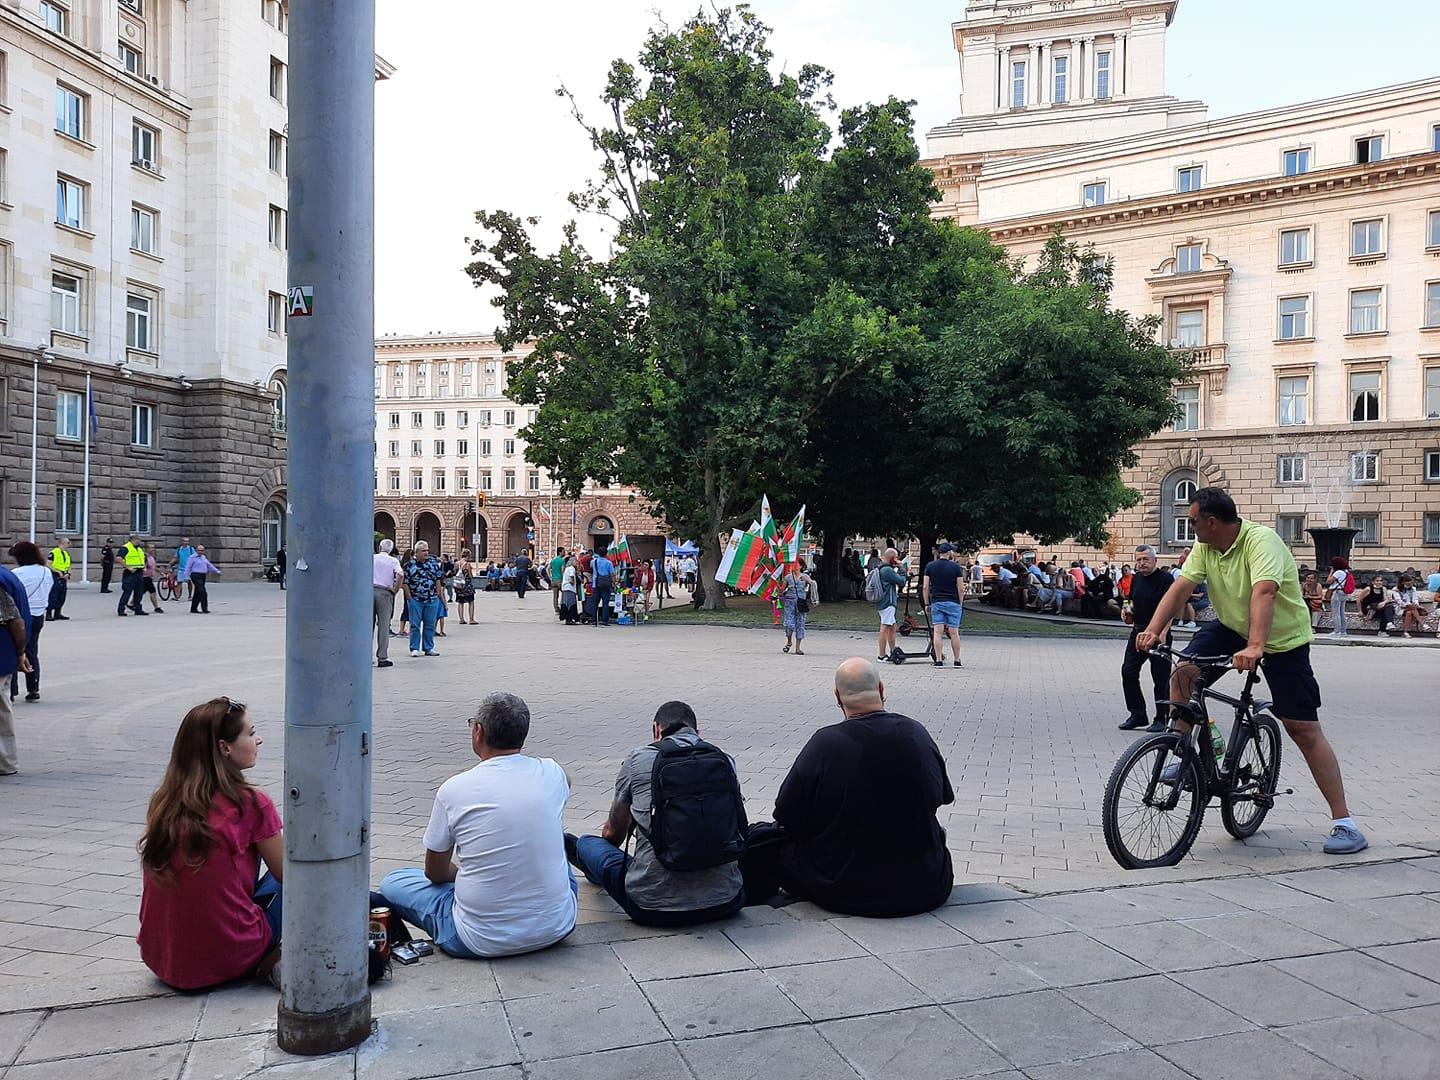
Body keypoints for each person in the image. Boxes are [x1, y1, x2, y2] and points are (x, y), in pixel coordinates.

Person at [1136, 486, 1367, 855]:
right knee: (1183, 673)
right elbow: (1181, 587)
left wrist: (1257, 647)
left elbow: (1265, 594)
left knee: (1303, 729)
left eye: (1193, 521)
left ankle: (1345, 823)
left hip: (1282, 639)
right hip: (1232, 627)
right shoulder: (1207, 547)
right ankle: (1181, 757)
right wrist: (1153, 627)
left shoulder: (1262, 542)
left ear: (1211, 522)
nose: (1190, 525)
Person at [380, 692, 577, 958]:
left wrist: (468, 876)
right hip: (557, 926)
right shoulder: (551, 771)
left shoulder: (454, 789)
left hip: (478, 938)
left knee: (395, 881)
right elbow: (568, 780)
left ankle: (479, 893)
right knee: (558, 861)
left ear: (478, 731)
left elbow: (434, 872)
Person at [753, 658, 954, 916]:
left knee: (767, 843)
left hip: (845, 890)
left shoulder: (826, 743)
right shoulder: (917, 733)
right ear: (882, 689)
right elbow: (940, 798)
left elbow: (786, 816)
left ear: (837, 696)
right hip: (928, 885)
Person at [137, 698, 285, 990]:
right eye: (251, 733)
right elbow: (293, 877)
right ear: (224, 747)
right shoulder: (251, 803)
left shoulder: (166, 800)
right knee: (295, 882)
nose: (259, 739)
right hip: (229, 956)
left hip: (162, 958)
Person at [567, 701, 746, 927]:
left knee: (588, 845)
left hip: (651, 906)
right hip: (727, 900)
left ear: (656, 730)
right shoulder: (726, 761)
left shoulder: (638, 759)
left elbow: (613, 834)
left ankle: (582, 857)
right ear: (697, 733)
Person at [1119, 545, 1173, 732]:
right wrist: (1127, 613)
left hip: (1158, 634)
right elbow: (1132, 602)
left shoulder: (1165, 579)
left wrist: (1164, 632)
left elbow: (1171, 607)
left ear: (1154, 561)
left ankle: (1162, 718)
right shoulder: (1136, 579)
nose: (1141, 563)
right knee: (1128, 671)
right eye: (1138, 559)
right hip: (1139, 632)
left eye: (1145, 559)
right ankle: (1138, 714)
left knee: (1160, 677)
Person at [8, 543, 51, 703]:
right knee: (32, 650)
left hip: (19, 616)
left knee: (14, 651)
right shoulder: (46, 571)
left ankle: (11, 691)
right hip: (39, 615)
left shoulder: (17, 573)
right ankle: (33, 688)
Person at [0, 562, 30, 775]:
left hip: (3, 653)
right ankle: (6, 762)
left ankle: (6, 762)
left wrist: (21, 653)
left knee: (2, 710)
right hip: (5, 653)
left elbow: (15, 621)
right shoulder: (6, 575)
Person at [923, 543, 965, 668]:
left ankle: (939, 660)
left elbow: (925, 587)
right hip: (953, 602)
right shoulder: (956, 567)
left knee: (937, 632)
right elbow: (961, 588)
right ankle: (957, 660)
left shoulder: (930, 566)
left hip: (937, 602)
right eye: (953, 551)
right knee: (954, 632)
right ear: (948, 553)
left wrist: (926, 603)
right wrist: (960, 603)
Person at [405, 541, 444, 657]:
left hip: (431, 599)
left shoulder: (433, 564)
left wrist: (438, 594)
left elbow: (437, 579)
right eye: (423, 551)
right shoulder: (409, 565)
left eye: (427, 550)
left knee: (430, 625)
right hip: (416, 599)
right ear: (416, 552)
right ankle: (414, 648)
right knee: (415, 625)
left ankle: (428, 648)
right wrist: (409, 598)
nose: (426, 553)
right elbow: (405, 582)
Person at [372, 539, 404, 668]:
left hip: (369, 591)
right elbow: (400, 575)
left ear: (379, 547)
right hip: (385, 593)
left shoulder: (372, 558)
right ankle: (382, 657)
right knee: (384, 626)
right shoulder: (393, 561)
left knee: (368, 626)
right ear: (391, 549)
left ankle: (365, 656)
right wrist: (395, 589)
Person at [872, 548, 907, 663]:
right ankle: (881, 655)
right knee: (885, 626)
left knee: (892, 626)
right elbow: (901, 581)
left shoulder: (883, 568)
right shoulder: (887, 570)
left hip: (886, 601)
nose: (897, 560)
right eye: (896, 557)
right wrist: (902, 568)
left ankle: (892, 650)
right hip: (888, 602)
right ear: (892, 558)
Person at [780, 563, 812, 655]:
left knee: (800, 624)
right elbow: (782, 589)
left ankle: (798, 648)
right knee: (789, 624)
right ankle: (789, 641)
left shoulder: (805, 576)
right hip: (790, 602)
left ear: (801, 566)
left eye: (796, 564)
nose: (794, 566)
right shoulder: (788, 577)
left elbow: (813, 584)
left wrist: (807, 581)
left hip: (801, 603)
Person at [118, 534, 148, 616]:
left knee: (139, 592)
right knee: (127, 591)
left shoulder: (139, 549)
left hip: (139, 573)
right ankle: (121, 609)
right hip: (130, 574)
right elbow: (119, 558)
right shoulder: (125, 547)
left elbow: (143, 559)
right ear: (132, 540)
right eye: (137, 540)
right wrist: (128, 567)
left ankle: (138, 608)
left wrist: (144, 568)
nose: (139, 541)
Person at [185, 546, 220, 614]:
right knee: (202, 591)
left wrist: (217, 571)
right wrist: (186, 577)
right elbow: (188, 567)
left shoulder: (203, 557)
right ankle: (204, 608)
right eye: (199, 550)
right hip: (195, 575)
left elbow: (209, 565)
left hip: (202, 576)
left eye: (202, 550)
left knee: (197, 592)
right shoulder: (192, 557)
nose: (200, 552)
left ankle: (193, 608)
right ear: (196, 550)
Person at [1323, 557, 1352, 637]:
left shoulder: (1338, 572)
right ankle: (1343, 631)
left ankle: (1336, 631)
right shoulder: (1346, 572)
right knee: (1342, 612)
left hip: (1337, 593)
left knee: (1336, 613)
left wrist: (1331, 572)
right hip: (1344, 593)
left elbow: (1328, 581)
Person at [46, 537, 72, 620]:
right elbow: (48, 564)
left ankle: (58, 613)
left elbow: (68, 565)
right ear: (62, 543)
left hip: (64, 576)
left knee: (62, 596)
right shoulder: (53, 553)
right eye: (68, 543)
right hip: (55, 576)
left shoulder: (66, 554)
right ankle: (49, 614)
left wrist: (68, 573)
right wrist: (58, 572)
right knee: (53, 595)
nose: (69, 544)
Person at [591, 549, 616, 626]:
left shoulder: (593, 562)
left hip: (595, 584)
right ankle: (605, 620)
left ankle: (595, 619)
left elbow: (591, 569)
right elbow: (612, 574)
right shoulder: (608, 563)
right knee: (605, 603)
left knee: (595, 603)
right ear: (606, 554)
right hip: (605, 585)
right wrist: (614, 584)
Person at [454, 554, 477, 625]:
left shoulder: (457, 563)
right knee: (471, 601)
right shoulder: (467, 564)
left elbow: (455, 572)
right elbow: (470, 576)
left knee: (460, 602)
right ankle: (471, 619)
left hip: (459, 585)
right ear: (467, 556)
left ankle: (461, 619)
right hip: (467, 585)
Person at [559, 557, 580, 625]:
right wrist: (573, 582)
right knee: (571, 603)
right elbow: (571, 577)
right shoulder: (572, 568)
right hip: (570, 588)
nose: (577, 563)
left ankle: (566, 617)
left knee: (565, 603)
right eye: (576, 562)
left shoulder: (567, 568)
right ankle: (570, 618)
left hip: (565, 588)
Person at [548, 547, 567, 612]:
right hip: (560, 580)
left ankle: (556, 608)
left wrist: (550, 576)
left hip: (553, 580)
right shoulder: (562, 560)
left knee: (555, 596)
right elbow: (562, 570)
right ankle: (563, 606)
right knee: (564, 594)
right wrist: (564, 578)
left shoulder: (553, 560)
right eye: (563, 551)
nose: (564, 553)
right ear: (560, 552)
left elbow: (547, 568)